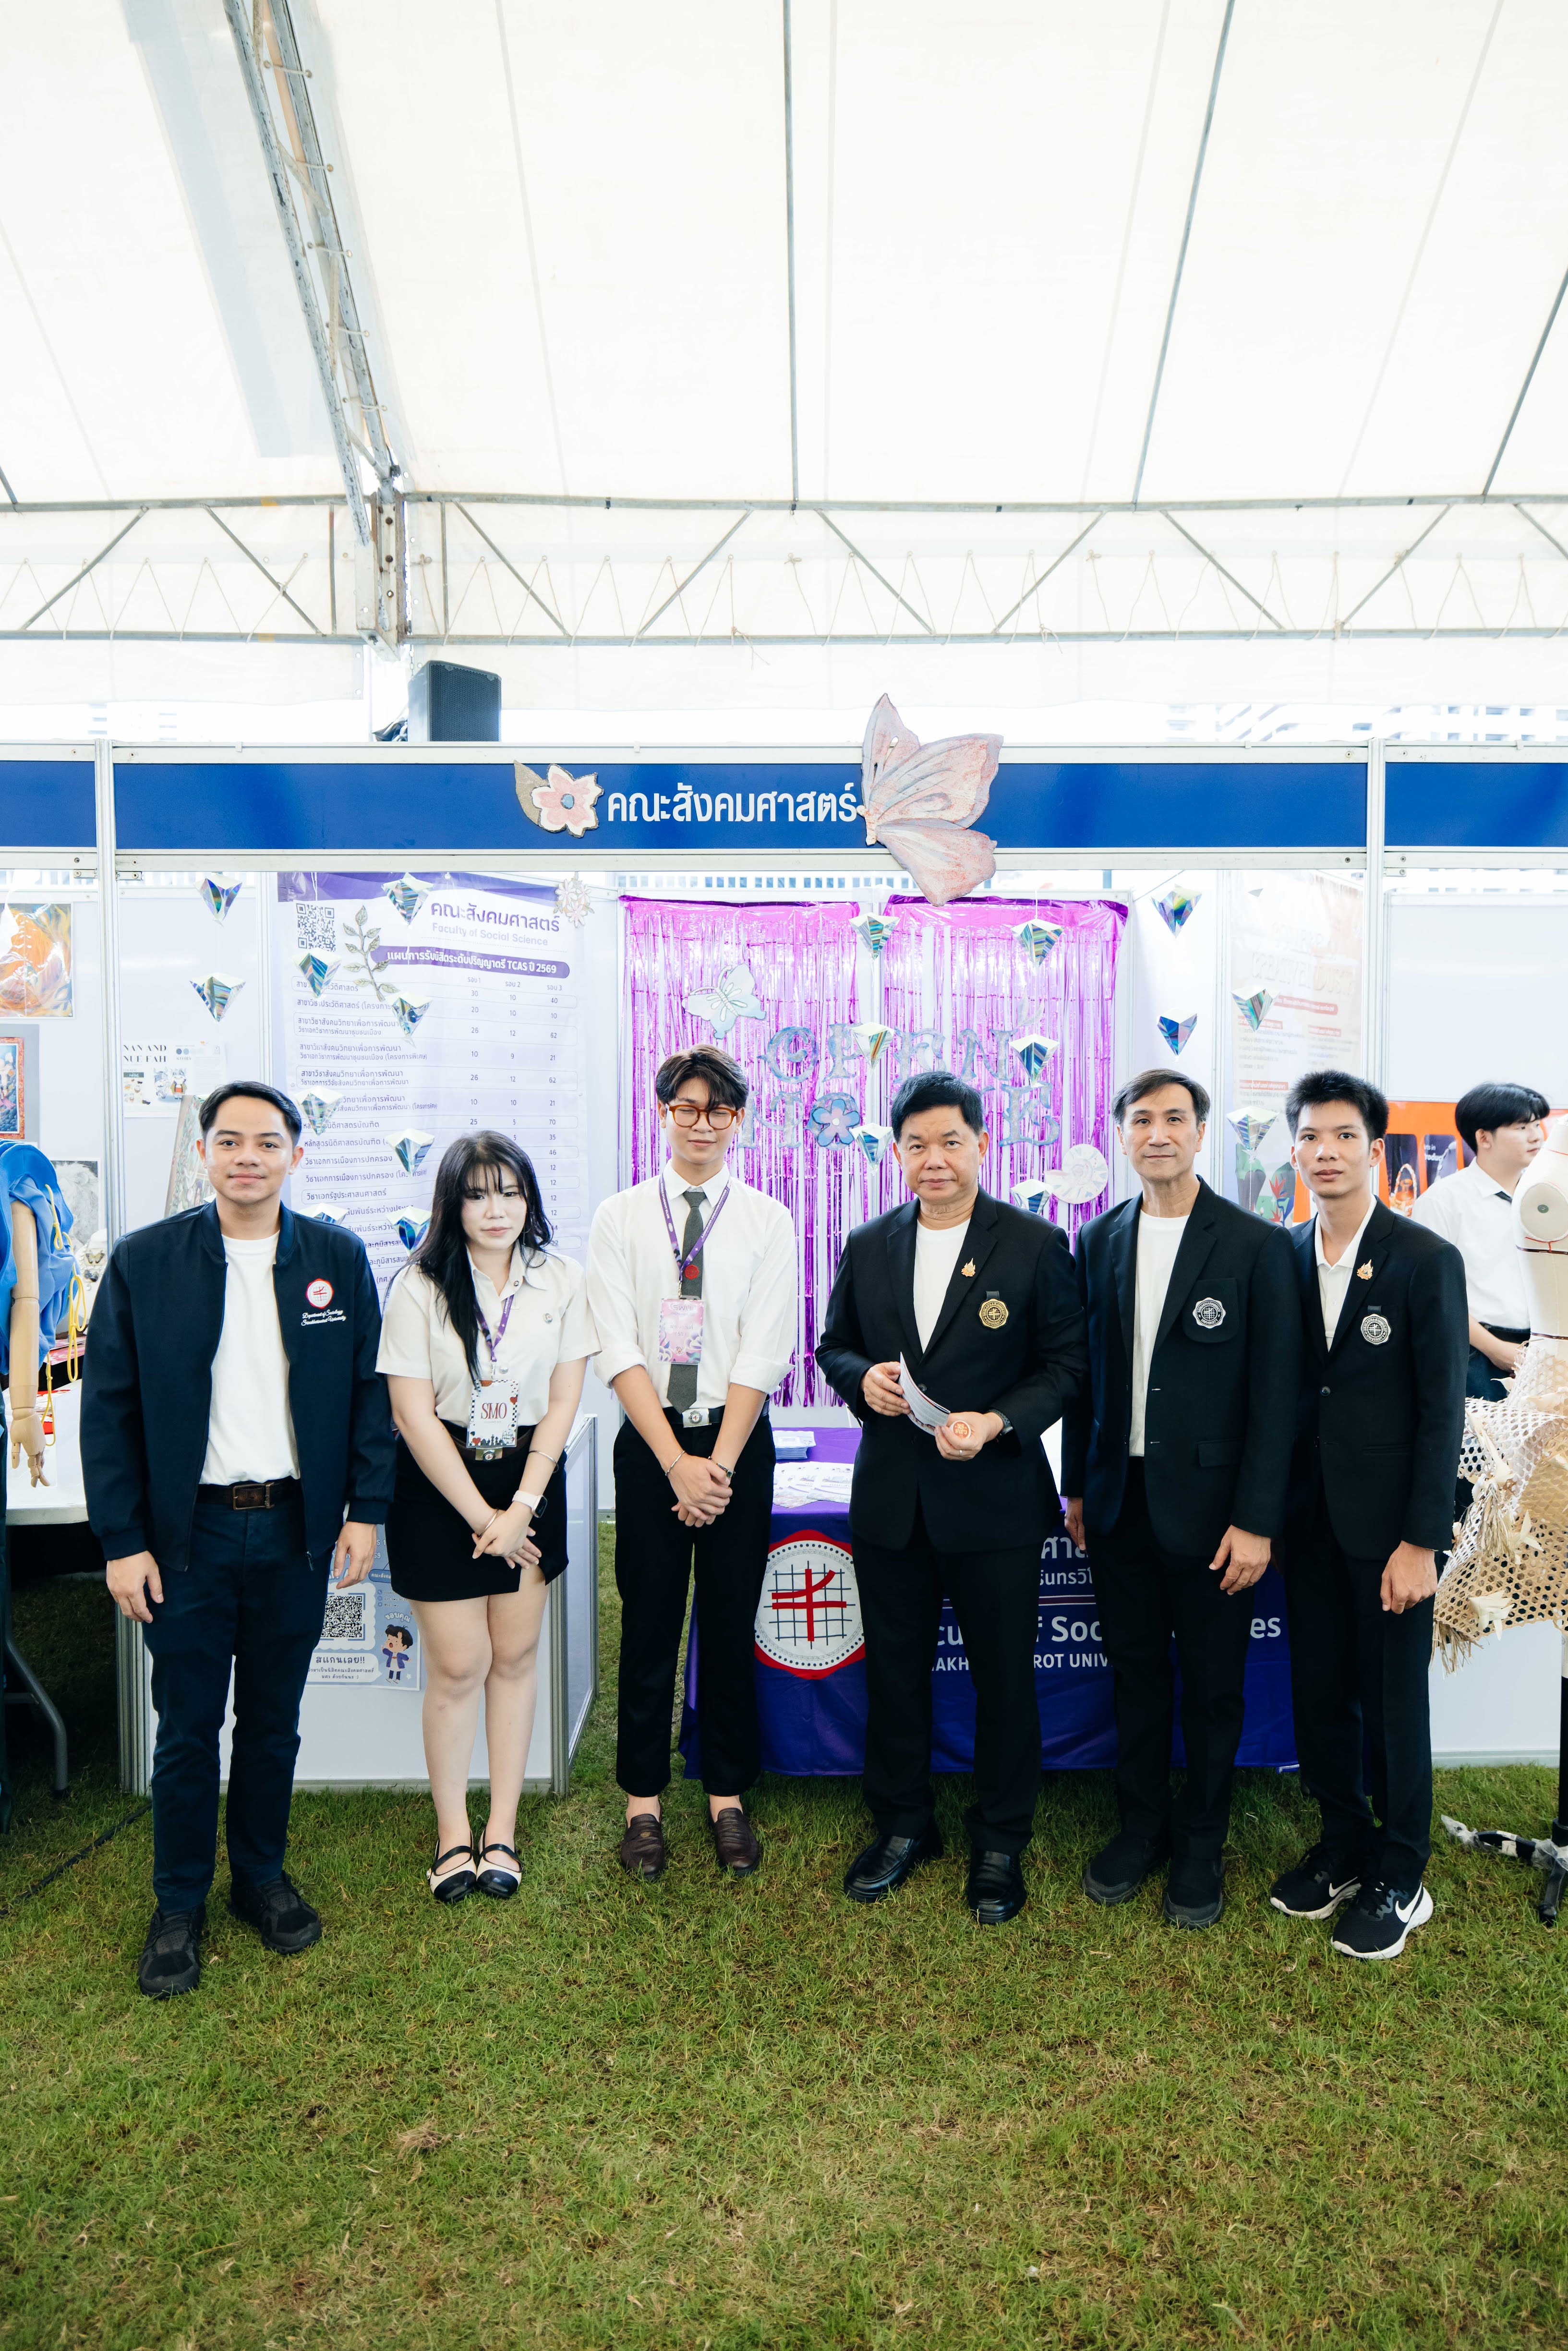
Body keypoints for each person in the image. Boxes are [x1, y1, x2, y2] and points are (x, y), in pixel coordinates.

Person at [82, 1082, 394, 2000]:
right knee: (187, 1729)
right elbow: (109, 1408)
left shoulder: (335, 1257)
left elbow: (370, 1393)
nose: (247, 1156)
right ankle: (178, 1903)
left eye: (266, 1141)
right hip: (189, 1537)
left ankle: (259, 1876)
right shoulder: (146, 1262)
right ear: (205, 1154)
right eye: (229, 1141)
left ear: (296, 1153)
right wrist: (122, 1540)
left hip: (296, 1530)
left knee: (270, 1721)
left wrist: (366, 1509)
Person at [816, 1070, 1087, 1925]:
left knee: (1003, 1679)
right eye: (916, 1145)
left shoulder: (1034, 1244)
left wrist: (999, 1420)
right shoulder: (869, 1243)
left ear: (981, 1144)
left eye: (950, 1142)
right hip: (893, 1500)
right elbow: (832, 1346)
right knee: (895, 1675)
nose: (934, 1159)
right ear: (897, 1154)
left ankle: (1000, 1841)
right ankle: (903, 1825)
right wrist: (864, 1380)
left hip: (994, 1501)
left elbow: (1067, 1367)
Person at [1060, 1071, 1300, 1929]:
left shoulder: (1255, 1245)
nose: (1156, 1133)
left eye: (1173, 1118)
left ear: (1199, 1134)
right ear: (1123, 1134)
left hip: (1214, 1514)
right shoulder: (1098, 1239)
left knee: (1211, 1686)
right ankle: (1141, 1829)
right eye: (1140, 1119)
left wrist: (1256, 1519)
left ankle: (1201, 1842)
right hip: (1116, 1502)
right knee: (1132, 1676)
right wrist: (1076, 1485)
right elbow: (1084, 1375)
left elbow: (1276, 1396)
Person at [586, 1044, 796, 1882]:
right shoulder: (619, 1217)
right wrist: (675, 1461)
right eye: (686, 1107)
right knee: (649, 1622)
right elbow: (616, 1344)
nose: (701, 1124)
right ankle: (642, 1803)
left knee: (730, 1619)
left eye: (718, 1111)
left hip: (736, 1440)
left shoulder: (768, 1219)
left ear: (737, 1120)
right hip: (652, 1444)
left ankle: (725, 1794)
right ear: (662, 1112)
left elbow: (765, 1347)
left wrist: (718, 1468)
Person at [1272, 1070, 1467, 1961]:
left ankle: (1401, 1870)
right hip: (1306, 1522)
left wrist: (1421, 1539)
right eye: (1311, 1136)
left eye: (1344, 1135)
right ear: (1293, 1151)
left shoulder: (1424, 1258)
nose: (1326, 1152)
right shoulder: (1282, 1255)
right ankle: (1343, 1843)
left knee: (1392, 1704)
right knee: (1319, 1694)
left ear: (1374, 1150)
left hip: (1392, 1531)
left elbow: (1441, 1411)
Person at [378, 1132, 595, 1902]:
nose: (495, 1209)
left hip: (528, 1475)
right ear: (452, 1205)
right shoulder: (418, 1286)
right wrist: (483, 1518)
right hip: (440, 1482)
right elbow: (411, 1413)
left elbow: (564, 1401)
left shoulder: (561, 1278)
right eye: (476, 1194)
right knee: (459, 1664)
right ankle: (452, 1834)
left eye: (509, 1191)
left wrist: (522, 1507)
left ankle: (500, 1829)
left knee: (515, 1655)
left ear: (528, 1198)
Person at [1411, 1082, 1549, 1404]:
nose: (1536, 1136)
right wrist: (1496, 1349)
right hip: (1476, 1352)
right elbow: (1435, 1296)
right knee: (1480, 1438)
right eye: (1522, 1127)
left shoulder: (1545, 1196)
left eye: (1536, 1124)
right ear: (1484, 1138)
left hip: (1543, 1350)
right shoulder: (1443, 1201)